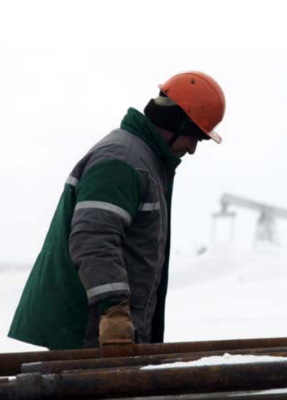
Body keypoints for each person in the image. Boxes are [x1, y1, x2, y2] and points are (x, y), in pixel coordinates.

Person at [8, 71, 226, 350]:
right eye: (195, 136)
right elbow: (93, 238)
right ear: (176, 122)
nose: (193, 149)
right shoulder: (123, 161)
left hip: (104, 335)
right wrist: (114, 313)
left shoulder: (144, 161)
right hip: (90, 334)